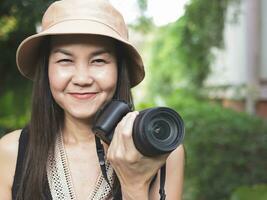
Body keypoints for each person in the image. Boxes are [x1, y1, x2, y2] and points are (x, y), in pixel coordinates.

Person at [0, 0, 185, 199]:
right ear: (46, 70)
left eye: (98, 61)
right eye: (65, 60)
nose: (82, 79)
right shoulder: (10, 151)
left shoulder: (163, 151)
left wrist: (135, 184)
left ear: (119, 70)